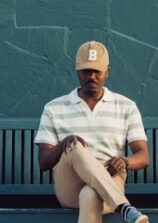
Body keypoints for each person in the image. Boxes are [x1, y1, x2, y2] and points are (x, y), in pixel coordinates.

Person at [34, 40, 150, 223]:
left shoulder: (127, 106)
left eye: (97, 71)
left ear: (107, 72)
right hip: (70, 185)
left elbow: (143, 156)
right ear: (77, 72)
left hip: (110, 179)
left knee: (90, 193)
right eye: (86, 71)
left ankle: (121, 205)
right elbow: (43, 162)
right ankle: (124, 208)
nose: (92, 76)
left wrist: (124, 161)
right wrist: (65, 144)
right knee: (75, 145)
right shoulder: (53, 108)